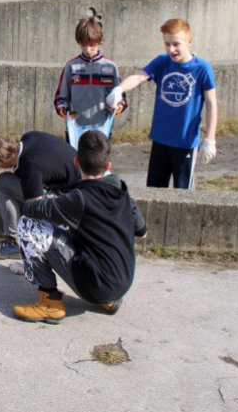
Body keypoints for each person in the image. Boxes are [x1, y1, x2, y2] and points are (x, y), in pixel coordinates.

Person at [13, 130, 147, 323]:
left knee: (28, 224)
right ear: (108, 165)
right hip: (123, 280)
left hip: (94, 285)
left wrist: (33, 203)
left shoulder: (79, 199)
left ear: (76, 162)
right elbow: (142, 231)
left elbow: (35, 208)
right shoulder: (120, 189)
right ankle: (108, 299)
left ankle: (50, 302)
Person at [105, 18, 217, 189]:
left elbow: (211, 104)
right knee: (154, 188)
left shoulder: (202, 69)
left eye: (176, 44)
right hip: (160, 139)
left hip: (185, 142)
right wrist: (119, 89)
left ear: (189, 42)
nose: (171, 49)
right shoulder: (162, 62)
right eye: (167, 44)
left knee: (183, 192)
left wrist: (210, 138)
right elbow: (140, 76)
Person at [0, 131, 80, 259]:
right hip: (78, 190)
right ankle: (17, 238)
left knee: (3, 182)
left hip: (71, 205)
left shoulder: (30, 168)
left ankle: (16, 243)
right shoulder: (29, 137)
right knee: (0, 205)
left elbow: (38, 210)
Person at [53, 7, 127, 146]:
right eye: (83, 45)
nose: (88, 50)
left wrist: (116, 107)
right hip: (76, 129)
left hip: (102, 128)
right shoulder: (71, 67)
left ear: (100, 41)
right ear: (78, 42)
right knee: (75, 164)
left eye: (92, 45)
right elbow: (60, 99)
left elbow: (122, 99)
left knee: (97, 165)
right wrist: (64, 110)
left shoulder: (110, 68)